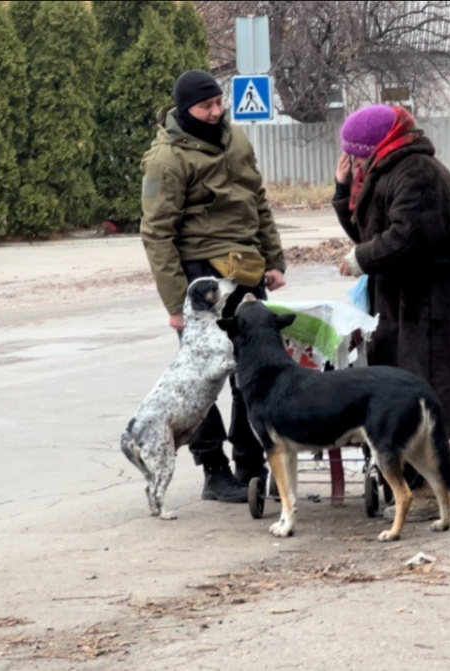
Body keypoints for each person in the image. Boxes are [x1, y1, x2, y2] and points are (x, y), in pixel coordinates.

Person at [140, 70, 287, 503]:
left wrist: (274, 260)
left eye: (219, 102)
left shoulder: (236, 138)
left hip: (245, 269)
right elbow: (156, 234)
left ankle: (253, 466)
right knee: (203, 382)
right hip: (200, 277)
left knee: (254, 372)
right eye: (206, 106)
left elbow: (256, 198)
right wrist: (175, 303)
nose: (216, 111)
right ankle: (214, 471)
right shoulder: (166, 160)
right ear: (185, 109)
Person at [332, 104, 450, 516]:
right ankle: (425, 488)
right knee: (406, 395)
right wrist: (343, 189)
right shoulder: (386, 171)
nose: (354, 162)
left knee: (423, 397)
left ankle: (436, 492)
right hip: (403, 301)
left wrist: (363, 258)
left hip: (429, 304)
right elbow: (370, 230)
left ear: (374, 147)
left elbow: (410, 236)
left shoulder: (416, 173)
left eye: (356, 154)